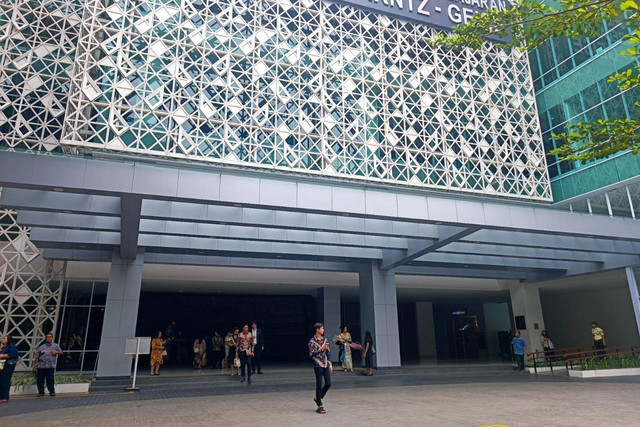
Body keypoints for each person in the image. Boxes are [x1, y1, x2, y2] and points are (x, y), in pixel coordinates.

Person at [309, 322, 333, 414]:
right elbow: (311, 353)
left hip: (325, 364)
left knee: (328, 383)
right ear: (317, 329)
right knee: (319, 384)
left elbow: (328, 352)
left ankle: (318, 397)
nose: (323, 330)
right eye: (322, 328)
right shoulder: (312, 341)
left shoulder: (325, 340)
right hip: (318, 364)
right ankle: (320, 405)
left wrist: (330, 363)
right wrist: (320, 349)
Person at [33, 332, 63, 397]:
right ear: (45, 338)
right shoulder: (42, 346)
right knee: (40, 380)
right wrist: (35, 366)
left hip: (50, 366)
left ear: (52, 338)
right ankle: (41, 392)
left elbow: (61, 352)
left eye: (50, 337)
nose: (48, 338)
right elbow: (37, 356)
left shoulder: (55, 345)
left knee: (50, 379)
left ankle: (52, 392)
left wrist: (56, 352)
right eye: (47, 337)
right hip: (41, 366)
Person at [0, 335, 19, 403]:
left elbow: (13, 354)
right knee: (1, 380)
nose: (2, 339)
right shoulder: (4, 348)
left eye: (4, 338)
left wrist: (3, 355)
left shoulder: (11, 346)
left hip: (7, 366)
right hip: (2, 366)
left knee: (5, 381)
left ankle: (5, 397)